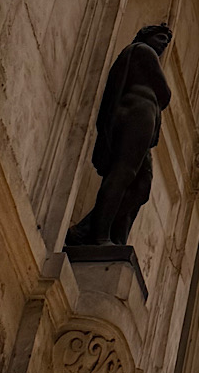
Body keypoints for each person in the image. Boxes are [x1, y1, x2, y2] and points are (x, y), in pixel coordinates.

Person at [67, 24, 173, 248]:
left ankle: (90, 231)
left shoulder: (144, 56)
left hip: (145, 116)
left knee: (141, 186)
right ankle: (99, 237)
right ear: (146, 36)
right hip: (136, 111)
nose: (164, 43)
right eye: (161, 37)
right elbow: (165, 92)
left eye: (166, 40)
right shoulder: (142, 51)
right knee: (123, 173)